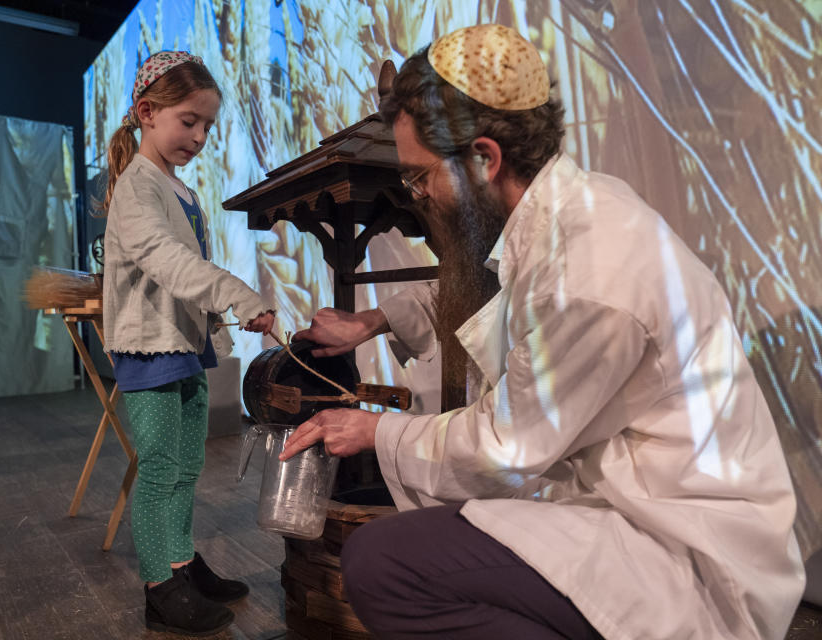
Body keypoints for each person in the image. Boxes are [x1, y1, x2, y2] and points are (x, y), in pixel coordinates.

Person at [283, 24, 804, 639]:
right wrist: (369, 323)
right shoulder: (562, 213)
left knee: (383, 565)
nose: (417, 195)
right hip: (612, 498)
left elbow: (506, 450)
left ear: (484, 158)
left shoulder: (589, 268)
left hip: (676, 540)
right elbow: (478, 287)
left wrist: (377, 430)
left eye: (420, 177)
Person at [103, 50, 275, 636]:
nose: (199, 136)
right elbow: (161, 256)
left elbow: (184, 263)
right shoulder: (136, 187)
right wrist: (233, 290)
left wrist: (221, 312)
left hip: (181, 342)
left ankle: (179, 559)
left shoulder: (179, 189)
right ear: (148, 112)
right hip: (150, 347)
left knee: (186, 465)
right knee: (158, 468)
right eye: (189, 120)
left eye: (207, 126)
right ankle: (159, 586)